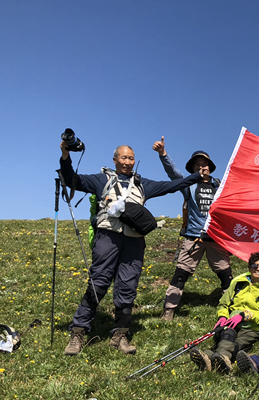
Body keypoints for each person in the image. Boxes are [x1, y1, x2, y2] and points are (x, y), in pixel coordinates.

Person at [59, 142, 203, 356]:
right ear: (115, 160)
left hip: (134, 241)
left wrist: (197, 177)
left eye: (131, 158)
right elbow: (72, 179)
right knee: (99, 282)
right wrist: (65, 156)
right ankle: (78, 332)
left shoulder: (142, 183)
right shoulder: (102, 180)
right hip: (108, 237)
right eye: (124, 158)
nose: (128, 162)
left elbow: (171, 186)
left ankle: (120, 335)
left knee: (128, 286)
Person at [152, 137, 233, 321]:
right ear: (193, 168)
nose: (201, 167)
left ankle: (231, 306)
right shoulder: (189, 185)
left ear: (210, 167)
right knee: (181, 273)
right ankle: (169, 309)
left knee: (226, 274)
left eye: (204, 164)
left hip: (216, 238)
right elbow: (174, 174)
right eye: (197, 164)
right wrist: (163, 154)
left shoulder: (220, 185)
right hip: (193, 237)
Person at [190, 251, 259, 373]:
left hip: (251, 328)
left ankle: (210, 356)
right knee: (228, 335)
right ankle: (222, 359)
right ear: (250, 267)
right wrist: (223, 317)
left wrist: (244, 315)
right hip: (231, 322)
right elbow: (223, 304)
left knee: (236, 343)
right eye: (255, 266)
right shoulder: (237, 284)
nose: (258, 269)